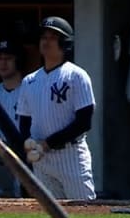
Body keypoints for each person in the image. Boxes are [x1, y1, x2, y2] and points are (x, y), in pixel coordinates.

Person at [17, 17, 96, 201]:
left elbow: (84, 122)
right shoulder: (29, 81)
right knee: (50, 216)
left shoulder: (76, 75)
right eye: (44, 37)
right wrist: (28, 144)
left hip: (71, 155)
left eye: (53, 37)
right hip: (41, 160)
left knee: (84, 211)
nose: (46, 41)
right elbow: (24, 122)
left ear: (64, 42)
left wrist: (47, 144)